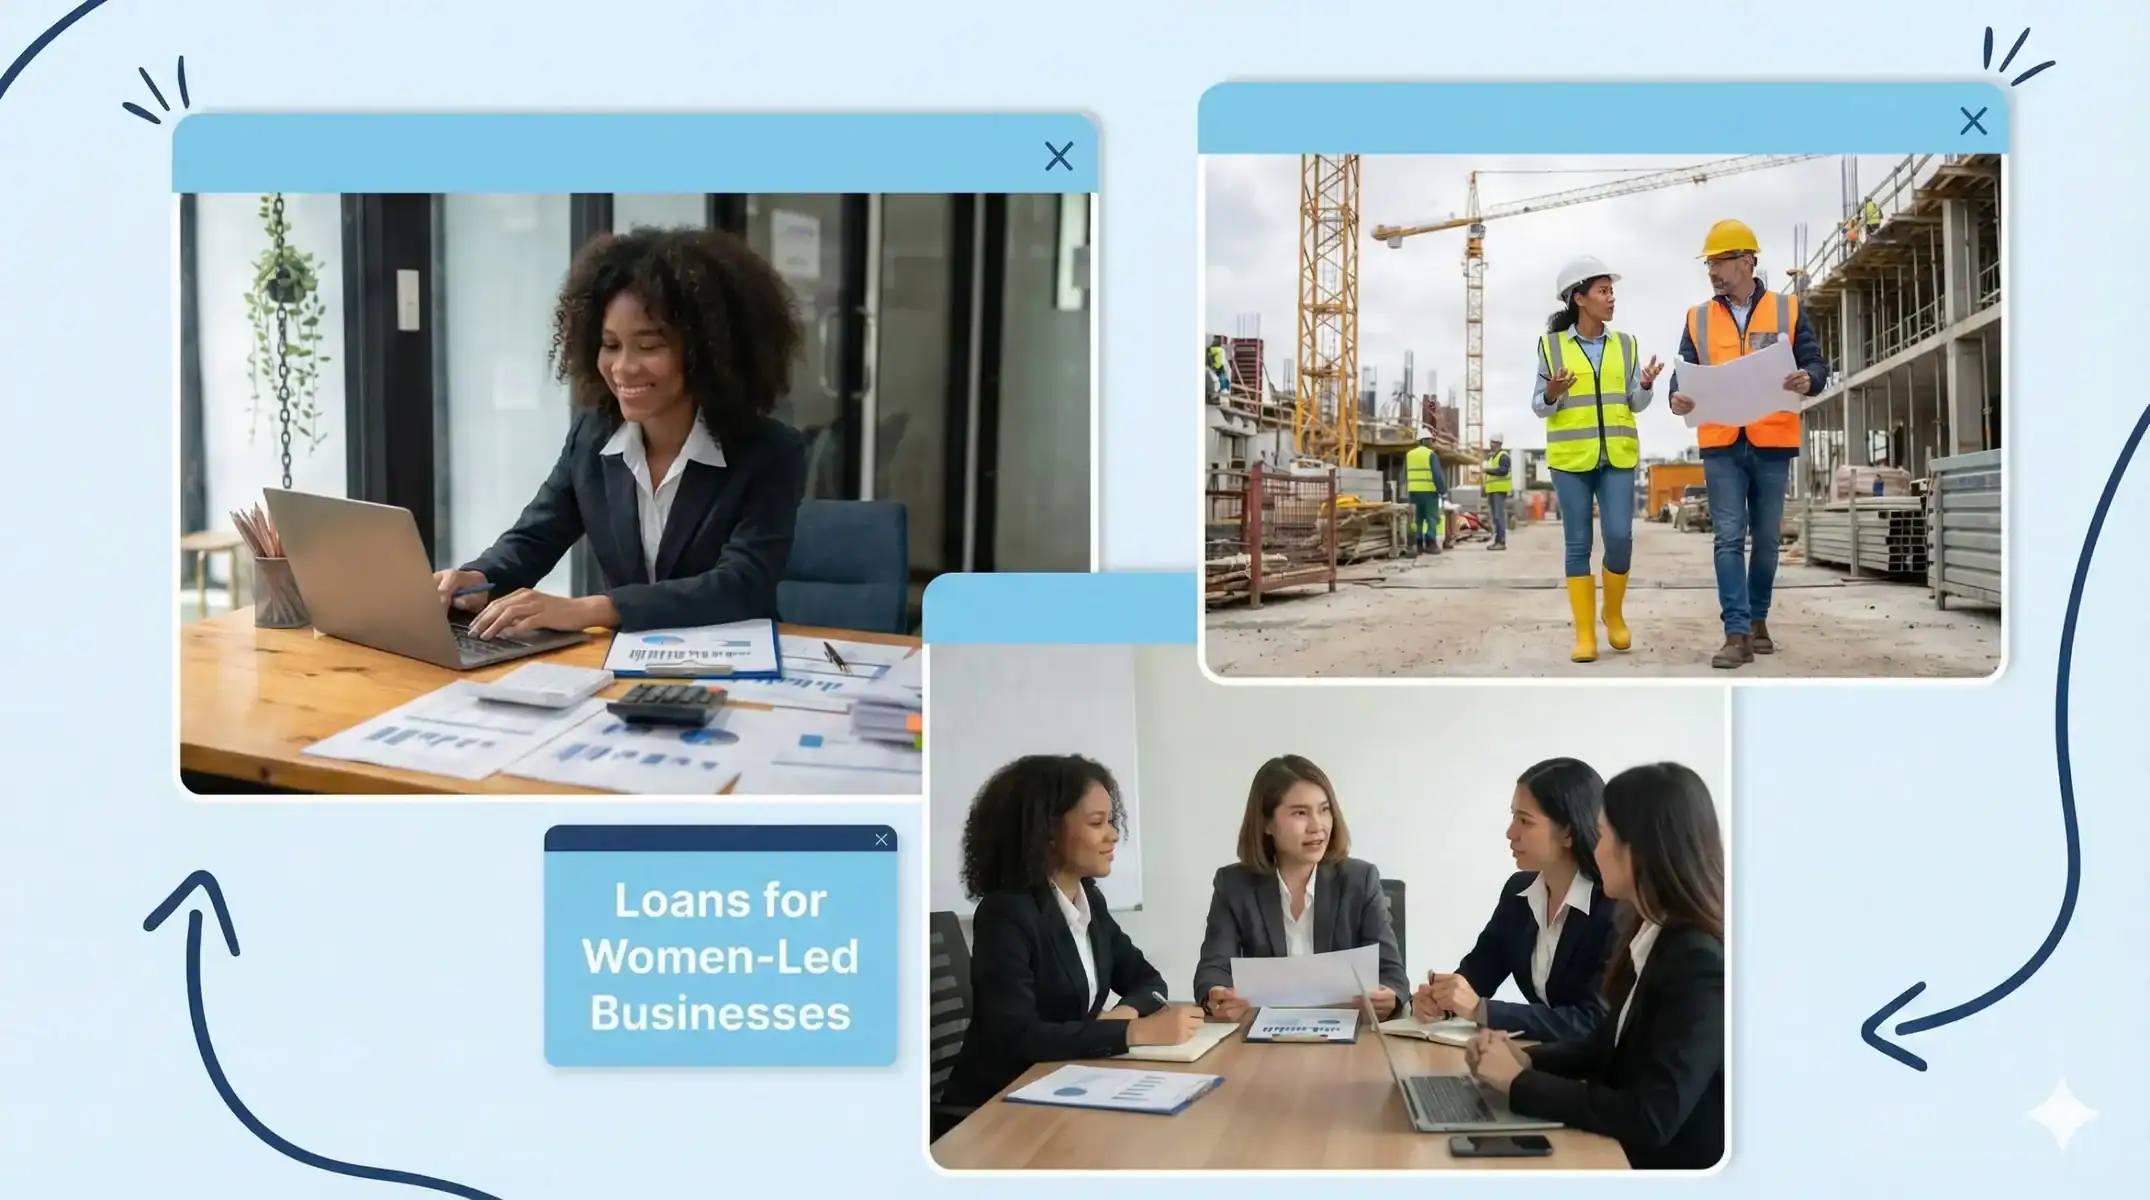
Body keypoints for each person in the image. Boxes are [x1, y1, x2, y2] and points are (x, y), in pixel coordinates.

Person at [432, 226, 809, 640]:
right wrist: (478, 579)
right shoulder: (593, 437)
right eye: (610, 345)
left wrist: (593, 608)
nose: (623, 368)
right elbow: (534, 538)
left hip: (737, 664)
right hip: (624, 663)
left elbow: (742, 586)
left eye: (648, 347)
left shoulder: (770, 452)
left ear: (708, 352)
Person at [1461, 763, 1726, 1171]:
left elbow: (1650, 1116)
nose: (1594, 847)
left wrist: (1518, 1083)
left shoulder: (1699, 963)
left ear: (1639, 850)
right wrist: (1527, 1059)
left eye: (1603, 835)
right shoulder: (1650, 931)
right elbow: (1606, 1048)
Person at [939, 755, 1205, 1114]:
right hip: (1000, 1106)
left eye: (1111, 820)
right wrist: (1136, 1032)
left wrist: (1123, 1013)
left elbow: (1147, 979)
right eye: (1097, 822)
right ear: (1047, 832)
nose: (1113, 834)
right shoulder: (1005, 913)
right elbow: (1017, 1037)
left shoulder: (1088, 898)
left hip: (1066, 1085)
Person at [1667, 220, 1830, 669]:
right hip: (1721, 441)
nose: (1713, 272)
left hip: (1772, 440)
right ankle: (1735, 633)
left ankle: (1758, 620)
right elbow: (1683, 372)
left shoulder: (1788, 309)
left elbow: (1816, 363)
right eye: (1709, 265)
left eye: (1719, 262)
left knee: (1768, 541)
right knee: (1727, 538)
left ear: (1746, 262)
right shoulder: (1697, 317)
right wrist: (1676, 399)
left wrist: (1808, 379)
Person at [1412, 757, 1620, 1042]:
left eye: (1525, 821)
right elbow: (1479, 973)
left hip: (1595, 1075)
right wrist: (1441, 1001)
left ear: (1568, 832)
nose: (1511, 833)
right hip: (1544, 1063)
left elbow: (1592, 1022)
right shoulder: (1519, 893)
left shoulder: (1615, 907)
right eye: (1513, 817)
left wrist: (1480, 1010)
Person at [1193, 755, 1410, 1021]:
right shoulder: (1235, 885)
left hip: (1347, 1037)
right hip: (1266, 1037)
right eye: (1300, 813)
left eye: (1324, 810)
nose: (1317, 826)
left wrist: (1389, 996)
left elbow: (1392, 974)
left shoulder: (1360, 879)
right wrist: (1218, 995)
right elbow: (1213, 970)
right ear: (1267, 824)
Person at [1535, 256, 1664, 664]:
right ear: (1580, 299)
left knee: (1620, 538)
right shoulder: (1551, 346)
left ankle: (1613, 611)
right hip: (1571, 459)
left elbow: (1636, 403)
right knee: (1578, 544)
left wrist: (1644, 384)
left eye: (1612, 291)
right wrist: (1552, 392)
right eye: (1603, 291)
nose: (1611, 299)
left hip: (1618, 457)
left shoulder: (1625, 345)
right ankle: (1586, 633)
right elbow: (1539, 406)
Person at [1404, 427, 1448, 554]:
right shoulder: (1431, 455)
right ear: (1427, 441)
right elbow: (1437, 474)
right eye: (1430, 440)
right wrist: (1442, 490)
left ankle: (1417, 544)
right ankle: (1430, 543)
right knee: (1431, 518)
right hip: (1429, 492)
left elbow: (1405, 474)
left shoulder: (1409, 455)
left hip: (1413, 492)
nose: (1431, 443)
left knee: (1417, 519)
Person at [1481, 433, 1512, 550]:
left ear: (1499, 444)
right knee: (1495, 517)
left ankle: (1501, 541)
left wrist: (1488, 471)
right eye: (1491, 442)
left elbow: (1503, 471)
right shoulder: (1492, 457)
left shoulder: (1503, 456)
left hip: (1499, 491)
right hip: (1492, 491)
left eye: (1493, 442)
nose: (1491, 445)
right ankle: (1497, 541)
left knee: (1499, 516)